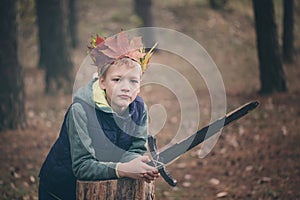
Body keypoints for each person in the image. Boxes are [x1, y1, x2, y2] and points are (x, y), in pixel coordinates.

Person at [38, 32, 159, 200]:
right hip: (62, 189)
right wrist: (123, 169)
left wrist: (134, 164)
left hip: (104, 188)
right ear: (102, 82)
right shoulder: (80, 110)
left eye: (133, 81)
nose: (126, 87)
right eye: (117, 80)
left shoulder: (139, 109)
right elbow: (82, 166)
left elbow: (136, 147)